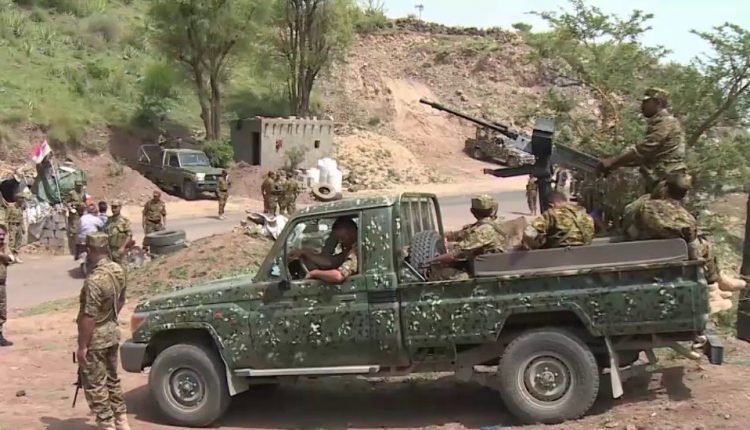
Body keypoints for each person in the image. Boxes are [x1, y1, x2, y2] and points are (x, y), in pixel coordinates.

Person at [622, 174, 746, 313]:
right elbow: (694, 251)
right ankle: (712, 291)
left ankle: (716, 286)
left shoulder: (643, 205)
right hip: (669, 259)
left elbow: (629, 226)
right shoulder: (684, 216)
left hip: (639, 253)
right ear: (684, 195)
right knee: (704, 245)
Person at [76, 232, 129, 430]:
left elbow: (89, 316)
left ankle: (106, 424)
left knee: (95, 384)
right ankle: (121, 420)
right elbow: (121, 300)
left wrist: (82, 346)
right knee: (112, 379)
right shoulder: (118, 270)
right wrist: (109, 318)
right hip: (112, 333)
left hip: (96, 339)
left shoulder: (94, 280)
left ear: (90, 250)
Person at [598, 87, 687, 198]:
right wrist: (615, 165)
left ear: (658, 103)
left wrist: (612, 162)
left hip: (668, 183)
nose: (642, 105)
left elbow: (644, 149)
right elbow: (642, 158)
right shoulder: (661, 123)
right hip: (662, 181)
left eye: (646, 102)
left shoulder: (666, 122)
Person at [426, 195, 507, 280]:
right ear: (492, 210)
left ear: (472, 211)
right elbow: (460, 234)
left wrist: (431, 260)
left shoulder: (483, 230)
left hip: (486, 272)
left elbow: (455, 254)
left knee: (439, 274)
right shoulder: (496, 223)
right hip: (494, 266)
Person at [289, 217, 359, 284]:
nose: (341, 241)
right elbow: (331, 262)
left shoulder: (357, 250)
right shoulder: (350, 249)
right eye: (339, 239)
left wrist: (314, 273)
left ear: (352, 231)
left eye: (343, 238)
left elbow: (339, 276)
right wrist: (305, 253)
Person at [523, 191, 594, 249]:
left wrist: (532, 246)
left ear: (551, 205)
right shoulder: (583, 213)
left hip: (557, 254)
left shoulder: (551, 213)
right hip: (585, 251)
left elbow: (529, 234)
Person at [104, 201, 133, 265]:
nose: (113, 209)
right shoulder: (109, 220)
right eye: (112, 207)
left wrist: (123, 247)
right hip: (110, 249)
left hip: (119, 249)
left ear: (120, 207)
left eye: (115, 207)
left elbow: (129, 235)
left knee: (121, 267)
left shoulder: (125, 221)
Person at [0, 217, 14, 347]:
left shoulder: (4, 247)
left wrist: (2, 255)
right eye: (0, 234)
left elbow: (11, 259)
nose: (1, 237)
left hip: (1, 284)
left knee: (1, 310)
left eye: (3, 234)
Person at [7, 193, 25, 263]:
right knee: (12, 242)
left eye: (23, 198)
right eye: (21, 198)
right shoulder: (11, 207)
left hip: (19, 226)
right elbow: (6, 218)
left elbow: (21, 218)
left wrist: (23, 227)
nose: (22, 200)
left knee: (18, 242)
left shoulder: (21, 207)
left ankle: (16, 256)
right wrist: (6, 228)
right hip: (13, 226)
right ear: (17, 199)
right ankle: (12, 257)